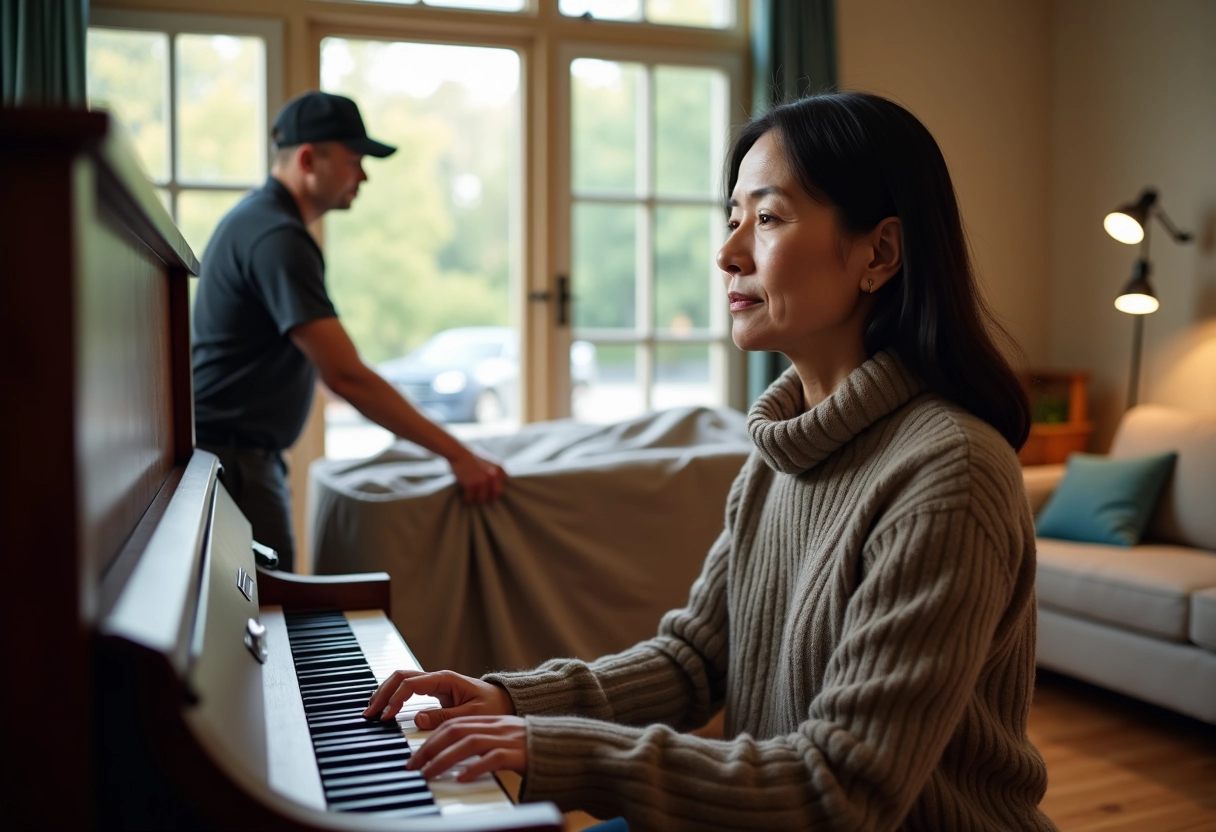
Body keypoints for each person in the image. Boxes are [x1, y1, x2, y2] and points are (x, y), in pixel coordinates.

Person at [363, 91, 1057, 831]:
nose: (728, 254)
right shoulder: (781, 448)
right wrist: (511, 701)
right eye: (732, 220)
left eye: (767, 218)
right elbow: (694, 661)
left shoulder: (950, 474)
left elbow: (842, 789)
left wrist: (551, 749)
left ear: (879, 253)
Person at [192, 91, 505, 572]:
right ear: (307, 158)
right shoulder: (278, 236)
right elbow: (346, 376)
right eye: (354, 159)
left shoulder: (258, 222)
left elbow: (315, 366)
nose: (364, 174)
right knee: (269, 624)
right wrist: (458, 454)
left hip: (233, 457)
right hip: (237, 464)